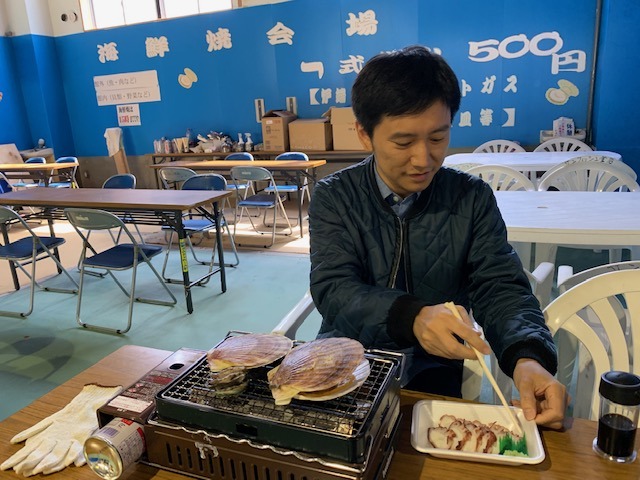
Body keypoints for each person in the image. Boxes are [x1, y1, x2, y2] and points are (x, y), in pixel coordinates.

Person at [308, 45, 567, 429]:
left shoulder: (470, 197)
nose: (423, 159)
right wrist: (412, 317)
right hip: (348, 360)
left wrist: (527, 356)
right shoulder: (335, 196)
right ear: (364, 134)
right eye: (403, 142)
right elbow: (334, 288)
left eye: (437, 137)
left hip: (434, 368)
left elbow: (500, 285)